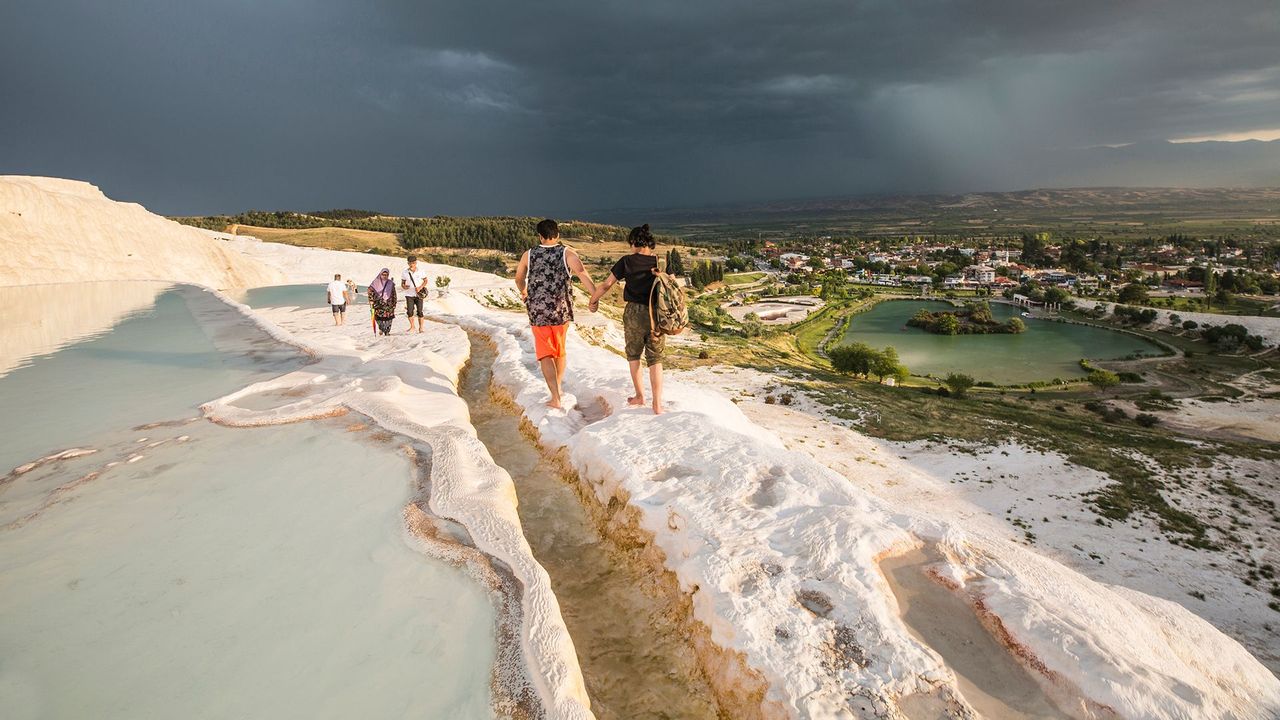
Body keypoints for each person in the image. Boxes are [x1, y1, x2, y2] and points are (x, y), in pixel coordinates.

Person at [515, 218, 597, 410]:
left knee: (545, 354)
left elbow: (519, 278)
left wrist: (524, 291)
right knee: (559, 350)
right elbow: (581, 271)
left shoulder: (529, 254)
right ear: (557, 235)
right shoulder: (567, 252)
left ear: (540, 236)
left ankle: (555, 396)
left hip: (538, 311)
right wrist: (594, 296)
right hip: (561, 310)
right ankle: (558, 387)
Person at [588, 224, 665, 414]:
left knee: (634, 356)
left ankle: (640, 395)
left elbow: (607, 284)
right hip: (656, 314)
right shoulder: (660, 261)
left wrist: (593, 300)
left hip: (634, 313)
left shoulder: (627, 261)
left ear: (634, 243)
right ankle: (657, 404)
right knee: (655, 358)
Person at [401, 255, 428, 334]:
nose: (412, 264)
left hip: (419, 295)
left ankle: (421, 328)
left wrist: (420, 287)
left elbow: (426, 281)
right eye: (410, 263)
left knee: (420, 311)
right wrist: (404, 286)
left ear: (416, 263)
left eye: (413, 263)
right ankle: (412, 327)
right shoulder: (405, 272)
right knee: (409, 312)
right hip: (409, 294)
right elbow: (402, 283)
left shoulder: (421, 271)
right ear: (408, 263)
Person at [368, 268, 397, 336]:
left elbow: (394, 293)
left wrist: (394, 302)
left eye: (386, 275)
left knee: (389, 318)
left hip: (389, 304)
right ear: (380, 274)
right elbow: (370, 291)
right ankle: (382, 328)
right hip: (378, 304)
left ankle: (387, 331)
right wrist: (371, 300)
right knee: (378, 318)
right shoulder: (375, 282)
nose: (385, 276)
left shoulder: (391, 283)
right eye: (383, 274)